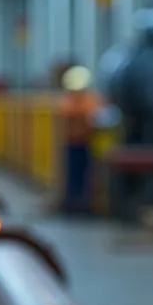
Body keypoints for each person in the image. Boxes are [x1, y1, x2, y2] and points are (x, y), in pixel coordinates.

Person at [58, 64, 102, 213]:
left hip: (87, 144)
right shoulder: (80, 102)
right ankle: (74, 203)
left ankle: (82, 203)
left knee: (84, 175)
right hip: (74, 144)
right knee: (75, 175)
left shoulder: (87, 101)